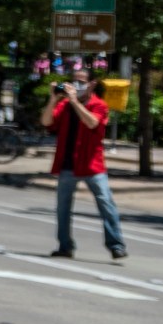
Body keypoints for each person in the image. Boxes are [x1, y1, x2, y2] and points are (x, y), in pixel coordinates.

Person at [45, 74, 125, 261]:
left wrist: (74, 102)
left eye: (81, 82)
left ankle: (116, 245)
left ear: (92, 85)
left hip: (92, 166)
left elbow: (92, 122)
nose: (76, 85)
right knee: (62, 208)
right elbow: (46, 122)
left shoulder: (99, 105)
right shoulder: (64, 106)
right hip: (67, 164)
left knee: (106, 204)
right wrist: (53, 99)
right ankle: (65, 246)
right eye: (74, 81)